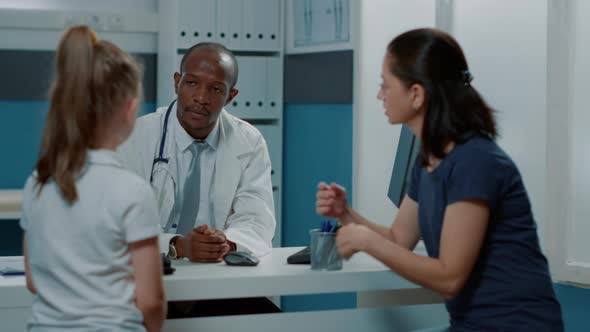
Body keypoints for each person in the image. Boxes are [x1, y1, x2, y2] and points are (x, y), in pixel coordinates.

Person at [316, 28, 564, 331]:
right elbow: (399, 239)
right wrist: (347, 215)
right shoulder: (429, 161)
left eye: (385, 85)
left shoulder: (475, 162)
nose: (380, 95)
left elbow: (449, 278)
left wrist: (366, 241)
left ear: (416, 94)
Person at [20, 26, 166, 331]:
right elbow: (150, 301)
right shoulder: (132, 191)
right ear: (130, 109)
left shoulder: (39, 180)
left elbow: (33, 280)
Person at [116, 42, 278, 316]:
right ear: (177, 83)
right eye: (192, 83)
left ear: (230, 97)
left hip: (218, 280)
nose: (201, 97)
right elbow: (120, 228)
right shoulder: (135, 138)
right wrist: (179, 246)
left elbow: (257, 221)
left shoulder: (248, 142)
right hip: (146, 282)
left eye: (216, 89)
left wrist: (224, 244)